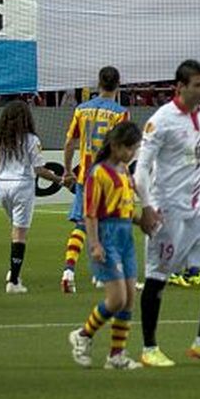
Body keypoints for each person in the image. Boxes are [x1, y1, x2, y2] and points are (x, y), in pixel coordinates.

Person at [133, 59, 200, 367]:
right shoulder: (161, 121)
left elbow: (197, 158)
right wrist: (147, 207)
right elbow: (141, 171)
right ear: (180, 87)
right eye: (198, 85)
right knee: (157, 277)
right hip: (169, 211)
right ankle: (149, 347)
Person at [69, 121, 150, 369]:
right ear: (115, 146)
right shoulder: (98, 173)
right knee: (116, 299)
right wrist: (95, 243)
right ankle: (83, 335)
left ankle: (116, 355)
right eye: (128, 148)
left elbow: (125, 208)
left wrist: (144, 221)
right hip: (107, 236)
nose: (131, 153)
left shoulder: (125, 171)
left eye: (134, 149)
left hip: (125, 236)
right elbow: (90, 213)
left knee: (129, 300)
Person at [0, 98, 66, 293]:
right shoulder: (31, 140)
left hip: (3, 186)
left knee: (15, 229)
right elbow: (39, 170)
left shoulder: (0, 140)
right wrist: (60, 180)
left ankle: (13, 271)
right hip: (22, 186)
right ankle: (13, 282)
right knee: (20, 234)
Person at [60, 66, 127, 294]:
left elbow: (69, 142)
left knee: (81, 224)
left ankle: (69, 271)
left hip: (85, 177)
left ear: (98, 84)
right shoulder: (120, 113)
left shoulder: (81, 109)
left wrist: (67, 170)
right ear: (118, 85)